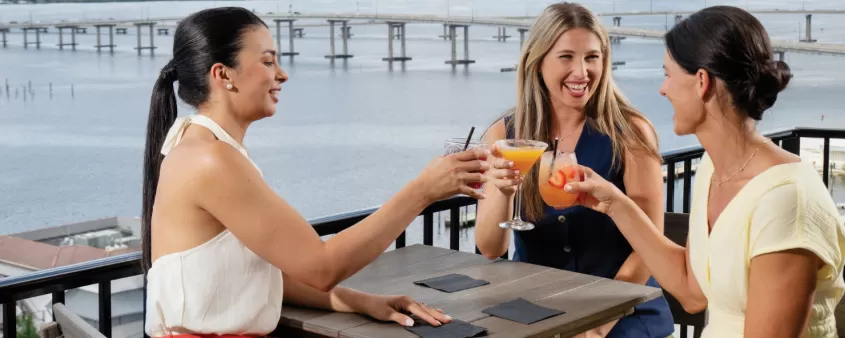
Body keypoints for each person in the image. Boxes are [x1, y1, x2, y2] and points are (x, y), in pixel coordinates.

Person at [140, 7, 490, 337]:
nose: (282, 74)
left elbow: (265, 274)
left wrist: (361, 300)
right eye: (267, 61)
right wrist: (423, 191)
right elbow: (321, 266)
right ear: (223, 74)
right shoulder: (210, 159)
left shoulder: (198, 145)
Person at [563, 5, 845, 338]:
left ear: (701, 82)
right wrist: (613, 203)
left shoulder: (787, 202)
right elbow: (691, 289)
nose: (662, 89)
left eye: (668, 74)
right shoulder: (713, 168)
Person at [475, 3, 674, 337]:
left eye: (592, 57)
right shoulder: (503, 134)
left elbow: (649, 248)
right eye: (566, 57)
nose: (581, 72)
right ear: (537, 63)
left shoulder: (632, 133)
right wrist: (504, 194)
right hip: (534, 309)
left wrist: (596, 328)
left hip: (623, 309)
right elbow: (491, 248)